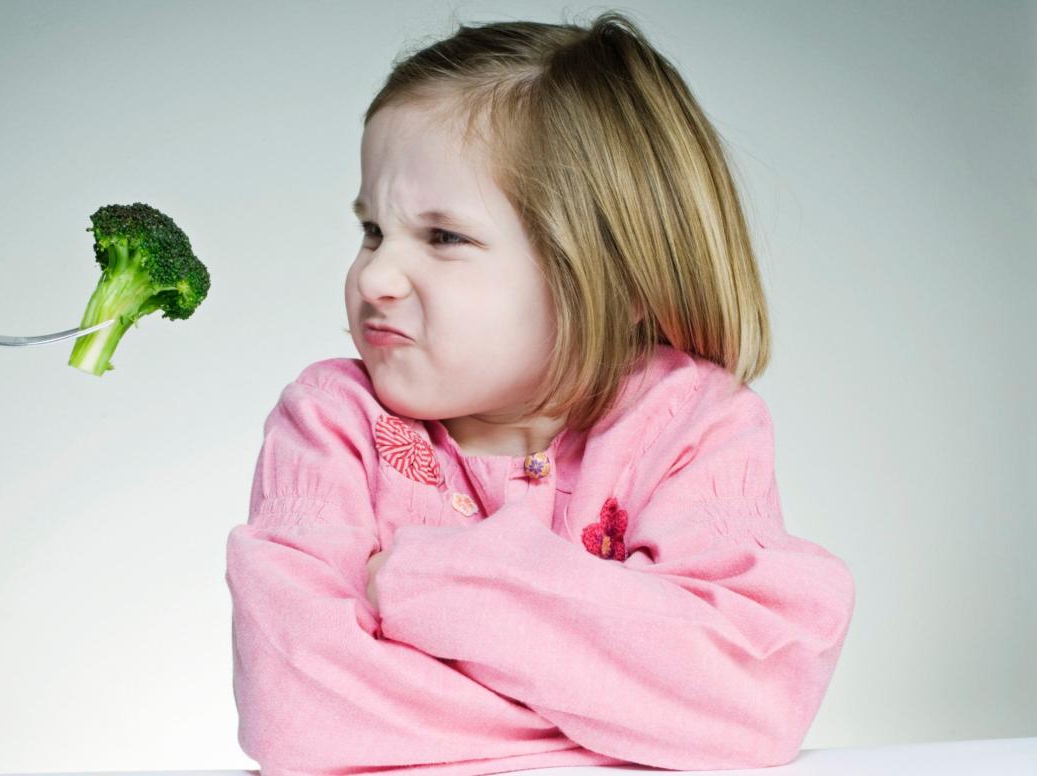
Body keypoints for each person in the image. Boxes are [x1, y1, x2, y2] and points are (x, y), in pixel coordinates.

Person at [225, 10, 855, 775]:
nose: (375, 278)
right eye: (371, 231)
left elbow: (747, 701)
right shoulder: (331, 424)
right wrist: (624, 711)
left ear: (613, 276)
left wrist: (425, 581)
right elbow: (299, 714)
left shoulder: (691, 424)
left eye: (443, 237)